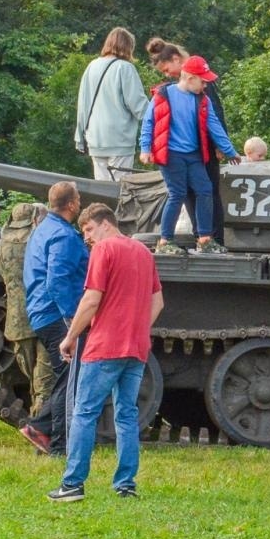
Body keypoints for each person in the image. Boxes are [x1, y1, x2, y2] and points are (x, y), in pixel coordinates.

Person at [47, 203, 164, 502]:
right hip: (136, 347)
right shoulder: (144, 252)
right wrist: (137, 328)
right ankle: (126, 484)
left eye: (89, 229)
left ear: (105, 224)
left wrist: (70, 337)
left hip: (105, 346)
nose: (87, 237)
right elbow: (158, 302)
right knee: (127, 415)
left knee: (84, 413)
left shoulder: (104, 249)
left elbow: (91, 299)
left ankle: (73, 484)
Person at [138, 55, 241, 255]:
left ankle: (204, 239)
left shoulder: (203, 99)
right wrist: (145, 149)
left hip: (193, 154)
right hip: (170, 154)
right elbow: (148, 122)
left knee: (205, 190)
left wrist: (230, 151)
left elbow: (215, 126)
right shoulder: (163, 94)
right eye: (203, 81)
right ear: (190, 78)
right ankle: (165, 241)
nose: (205, 85)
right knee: (177, 193)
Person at [18, 182, 89, 456]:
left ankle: (39, 428)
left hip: (41, 310)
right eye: (78, 199)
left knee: (65, 377)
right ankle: (58, 444)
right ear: (70, 204)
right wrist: (71, 319)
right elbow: (57, 280)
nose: (80, 203)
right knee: (69, 378)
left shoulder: (44, 228)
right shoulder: (63, 236)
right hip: (56, 313)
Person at [0, 202, 48, 413]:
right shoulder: (39, 241)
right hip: (42, 313)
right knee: (45, 376)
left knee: (30, 371)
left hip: (16, 319)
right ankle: (42, 417)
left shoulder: (1, 245)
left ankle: (36, 411)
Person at [75, 27, 149, 182]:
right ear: (128, 46)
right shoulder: (125, 68)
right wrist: (159, 117)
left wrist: (80, 137)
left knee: (101, 189)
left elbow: (83, 105)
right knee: (119, 189)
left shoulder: (91, 66)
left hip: (95, 137)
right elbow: (139, 107)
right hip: (119, 139)